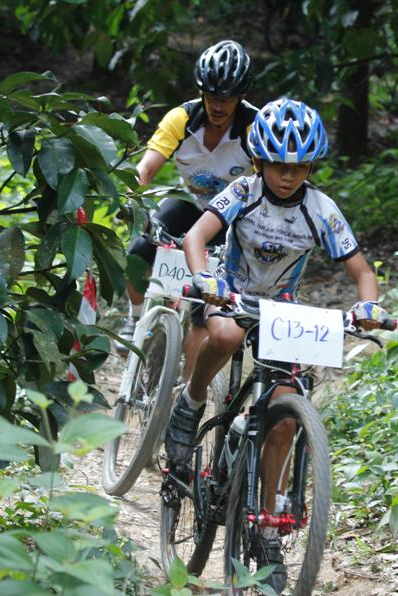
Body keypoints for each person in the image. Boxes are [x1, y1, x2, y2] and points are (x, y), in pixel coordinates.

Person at [165, 97, 388, 592]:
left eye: (299, 167)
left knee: (286, 417)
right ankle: (191, 401)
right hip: (229, 291)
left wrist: (369, 305)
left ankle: (267, 522)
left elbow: (361, 271)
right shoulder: (243, 192)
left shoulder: (320, 209)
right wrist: (204, 278)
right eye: (279, 166)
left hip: (281, 308)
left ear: (311, 168)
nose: (288, 177)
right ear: (260, 161)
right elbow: (197, 238)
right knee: (225, 334)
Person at [117, 39, 259, 373]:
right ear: (200, 92)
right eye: (211, 96)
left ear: (240, 96)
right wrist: (131, 201)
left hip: (232, 219)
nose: (218, 105)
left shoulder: (253, 126)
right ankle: (134, 318)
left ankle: (186, 388)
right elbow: (145, 169)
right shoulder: (181, 118)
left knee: (201, 303)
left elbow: (265, 183)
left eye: (226, 98)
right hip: (192, 206)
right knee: (139, 248)